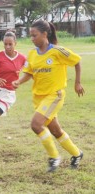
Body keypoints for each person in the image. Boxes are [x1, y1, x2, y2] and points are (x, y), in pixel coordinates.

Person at [12, 20, 84, 172]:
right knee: (56, 131)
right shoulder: (31, 54)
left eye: (34, 35)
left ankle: (54, 157)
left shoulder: (58, 51)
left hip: (54, 95)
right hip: (39, 97)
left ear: (45, 34)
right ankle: (77, 154)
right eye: (30, 36)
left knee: (36, 124)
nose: (32, 38)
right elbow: (28, 73)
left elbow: (77, 61)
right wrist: (19, 81)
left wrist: (77, 83)